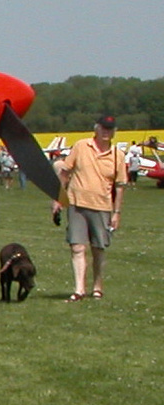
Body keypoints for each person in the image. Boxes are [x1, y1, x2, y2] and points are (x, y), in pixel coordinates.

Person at [54, 114, 126, 301]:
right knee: (77, 246)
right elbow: (65, 173)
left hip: (102, 206)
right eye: (103, 128)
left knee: (98, 248)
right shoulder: (81, 146)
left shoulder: (118, 155)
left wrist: (117, 213)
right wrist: (58, 200)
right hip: (77, 203)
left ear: (114, 132)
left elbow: (119, 187)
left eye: (109, 129)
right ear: (96, 128)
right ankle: (79, 289)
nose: (106, 132)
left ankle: (97, 286)